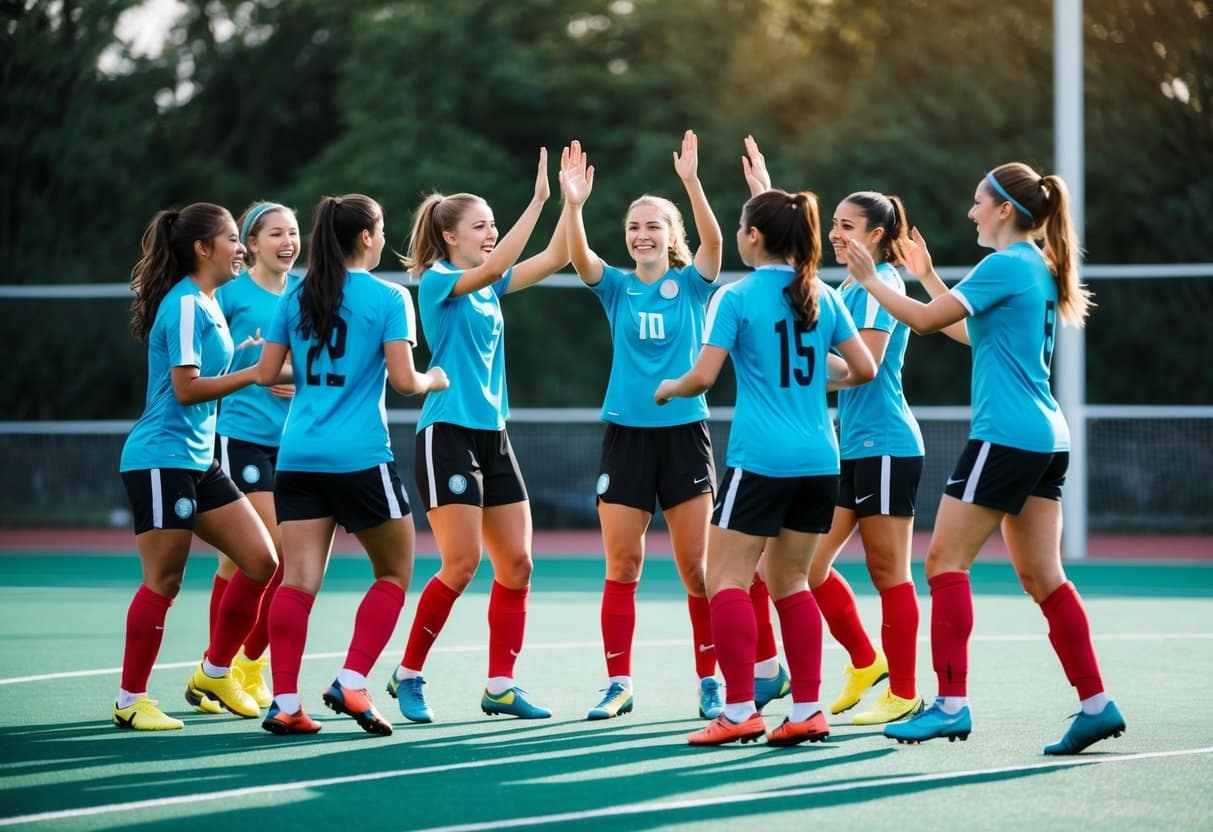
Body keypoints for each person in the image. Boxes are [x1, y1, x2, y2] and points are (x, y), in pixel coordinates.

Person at [842, 162, 1124, 754]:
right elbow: (974, 335)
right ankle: (1096, 704)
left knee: (944, 563)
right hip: (1047, 439)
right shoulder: (1037, 266)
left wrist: (872, 280)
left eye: (977, 202)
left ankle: (949, 704)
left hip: (1006, 437)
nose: (970, 211)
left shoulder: (1005, 264)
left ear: (1002, 210)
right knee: (1043, 577)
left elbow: (919, 323)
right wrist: (926, 279)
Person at [656, 182, 876, 747]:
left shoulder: (733, 297)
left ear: (754, 236)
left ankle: (736, 712)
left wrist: (668, 389)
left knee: (725, 579)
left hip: (761, 459)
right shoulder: (822, 295)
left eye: (740, 227)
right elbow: (863, 370)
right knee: (792, 582)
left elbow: (702, 377)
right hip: (819, 459)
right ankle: (806, 708)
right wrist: (814, 377)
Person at [385, 147, 571, 722]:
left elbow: (559, 257)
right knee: (461, 564)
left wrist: (572, 204)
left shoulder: (488, 286)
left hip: (493, 436)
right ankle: (408, 672)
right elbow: (492, 269)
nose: (491, 232)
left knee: (517, 564)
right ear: (448, 236)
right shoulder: (440, 282)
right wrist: (537, 199)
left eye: (494, 223)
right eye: (481, 225)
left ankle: (500, 685)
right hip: (447, 435)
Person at [257, 193, 447, 736]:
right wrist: (437, 378)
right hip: (360, 457)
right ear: (365, 237)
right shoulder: (389, 297)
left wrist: (316, 386)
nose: (384, 237)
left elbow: (268, 373)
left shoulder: (294, 295)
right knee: (394, 572)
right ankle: (352, 679)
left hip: (297, 455)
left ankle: (286, 702)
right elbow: (408, 382)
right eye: (381, 228)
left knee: (296, 581)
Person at [562, 131, 731, 721]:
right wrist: (574, 205)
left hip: (685, 435)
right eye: (634, 226)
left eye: (653, 225)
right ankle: (618, 683)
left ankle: (710, 680)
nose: (641, 234)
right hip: (626, 438)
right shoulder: (615, 287)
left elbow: (714, 241)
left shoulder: (691, 284)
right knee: (623, 565)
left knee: (696, 568)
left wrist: (690, 182)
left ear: (671, 235)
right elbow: (579, 258)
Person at [115, 203, 279, 731]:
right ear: (202, 249)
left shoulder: (207, 302)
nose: (240, 248)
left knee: (261, 561)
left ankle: (213, 671)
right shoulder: (185, 304)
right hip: (161, 458)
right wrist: (253, 374)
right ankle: (130, 698)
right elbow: (185, 389)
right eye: (232, 240)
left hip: (198, 461)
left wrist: (246, 362)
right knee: (164, 580)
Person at [806, 189, 926, 726]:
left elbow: (867, 364)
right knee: (808, 568)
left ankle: (905, 691)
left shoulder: (881, 285)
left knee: (888, 571)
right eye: (832, 222)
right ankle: (864, 662)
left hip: (888, 445)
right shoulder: (849, 285)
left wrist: (799, 367)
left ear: (875, 235)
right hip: (851, 448)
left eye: (846, 225)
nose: (834, 232)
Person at [202, 201, 300, 711]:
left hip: (294, 443)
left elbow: (317, 359)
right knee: (275, 555)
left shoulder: (303, 293)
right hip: (240, 436)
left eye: (294, 232)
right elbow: (206, 358)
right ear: (252, 243)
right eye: (276, 233)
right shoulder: (229, 294)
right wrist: (252, 359)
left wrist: (296, 377)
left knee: (232, 563)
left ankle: (229, 666)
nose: (288, 241)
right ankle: (230, 665)